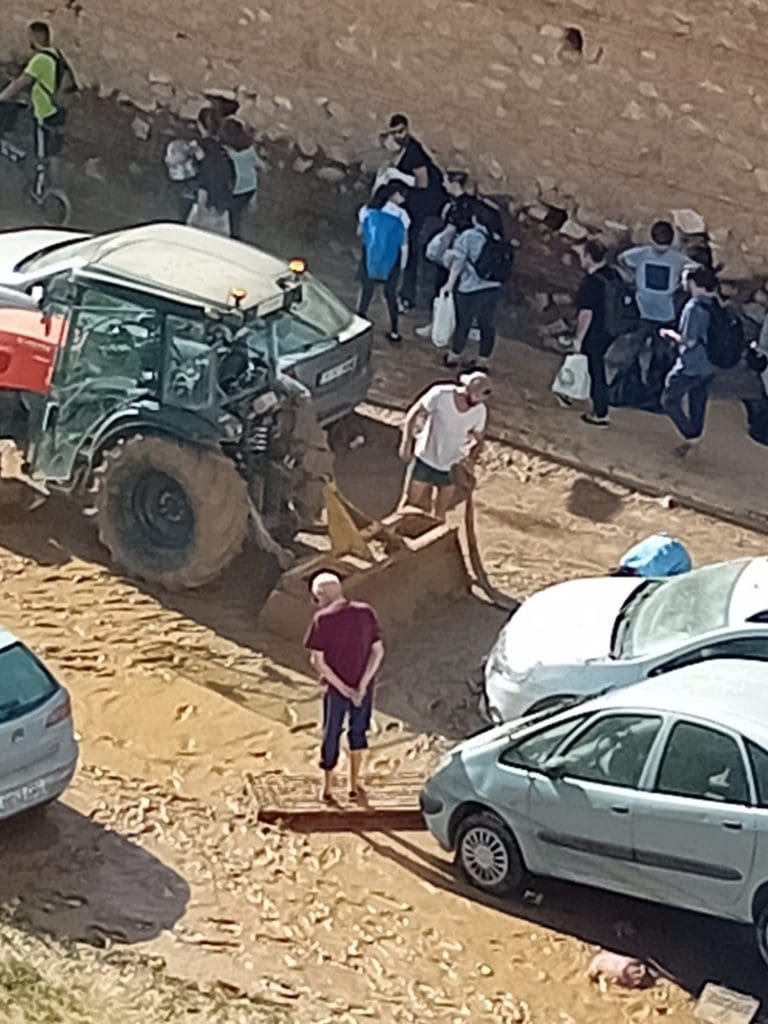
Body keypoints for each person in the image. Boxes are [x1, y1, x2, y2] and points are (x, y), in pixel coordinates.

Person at [304, 572, 384, 804]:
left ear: (321, 595)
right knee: (358, 732)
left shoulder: (322, 619)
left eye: (316, 598)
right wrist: (362, 684)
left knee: (331, 733)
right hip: (364, 687)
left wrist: (343, 688)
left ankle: (327, 788)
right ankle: (353, 785)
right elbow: (378, 651)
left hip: (335, 689)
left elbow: (318, 661)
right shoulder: (365, 612)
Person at [415, 172, 504, 339]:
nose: (443, 184)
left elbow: (449, 233)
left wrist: (438, 254)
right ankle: (466, 328)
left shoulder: (458, 207)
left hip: (455, 257)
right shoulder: (475, 205)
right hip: (475, 260)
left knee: (443, 291)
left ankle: (438, 325)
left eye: (446, 181)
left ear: (454, 183)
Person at [399, 371, 490, 519]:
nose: (477, 402)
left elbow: (479, 439)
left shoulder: (480, 411)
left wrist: (470, 460)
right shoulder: (441, 394)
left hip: (450, 467)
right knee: (409, 504)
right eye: (476, 396)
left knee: (440, 513)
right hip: (425, 459)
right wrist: (406, 442)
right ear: (467, 389)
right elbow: (414, 413)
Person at [380, 114, 446, 312]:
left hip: (424, 210)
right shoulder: (399, 151)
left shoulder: (414, 152)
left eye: (401, 131)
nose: (398, 136)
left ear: (407, 129)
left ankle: (408, 297)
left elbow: (422, 183)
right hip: (411, 208)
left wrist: (399, 179)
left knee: (412, 253)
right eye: (394, 133)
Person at [618, 221, 688, 386]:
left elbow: (621, 258)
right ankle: (648, 386)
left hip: (649, 312)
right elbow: (695, 267)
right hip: (658, 314)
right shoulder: (676, 258)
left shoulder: (642, 254)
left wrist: (631, 276)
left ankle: (635, 385)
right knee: (654, 353)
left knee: (640, 351)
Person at [660, 265, 718, 457]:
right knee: (698, 401)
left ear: (693, 282)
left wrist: (669, 334)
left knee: (669, 400)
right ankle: (696, 437)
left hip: (691, 365)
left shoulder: (693, 307)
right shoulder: (715, 302)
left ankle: (691, 436)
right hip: (710, 364)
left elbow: (689, 341)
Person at [0, 22, 75, 162]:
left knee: (42, 153)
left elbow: (21, 82)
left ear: (34, 37)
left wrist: (2, 97)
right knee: (51, 152)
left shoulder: (40, 59)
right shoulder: (56, 55)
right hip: (56, 108)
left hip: (44, 111)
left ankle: (39, 174)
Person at [441, 206, 503, 372]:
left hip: (470, 287)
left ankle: (454, 356)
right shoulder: (497, 237)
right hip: (493, 287)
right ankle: (483, 361)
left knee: (463, 322)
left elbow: (458, 262)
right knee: (487, 325)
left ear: (476, 219)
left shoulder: (469, 236)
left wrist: (449, 284)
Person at [572, 240, 622, 427]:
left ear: (588, 257)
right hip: (611, 329)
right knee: (599, 368)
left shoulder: (590, 283)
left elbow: (586, 314)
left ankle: (600, 412)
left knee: (596, 371)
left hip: (595, 332)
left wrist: (578, 338)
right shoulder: (613, 275)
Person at [357, 181, 411, 344]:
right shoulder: (402, 215)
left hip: (370, 254)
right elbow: (404, 242)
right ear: (394, 194)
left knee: (367, 291)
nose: (404, 199)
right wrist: (403, 264)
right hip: (392, 258)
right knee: (390, 294)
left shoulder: (367, 209)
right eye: (402, 195)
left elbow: (360, 231)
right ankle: (394, 330)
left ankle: (359, 322)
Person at [189, 107, 235, 235]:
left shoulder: (200, 149)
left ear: (199, 125)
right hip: (222, 206)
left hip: (206, 206)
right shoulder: (226, 151)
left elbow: (204, 178)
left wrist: (201, 208)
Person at [220, 118, 261, 240]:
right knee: (238, 213)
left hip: (237, 189)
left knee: (233, 215)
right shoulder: (250, 150)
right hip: (250, 188)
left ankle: (233, 236)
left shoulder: (230, 154)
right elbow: (259, 166)